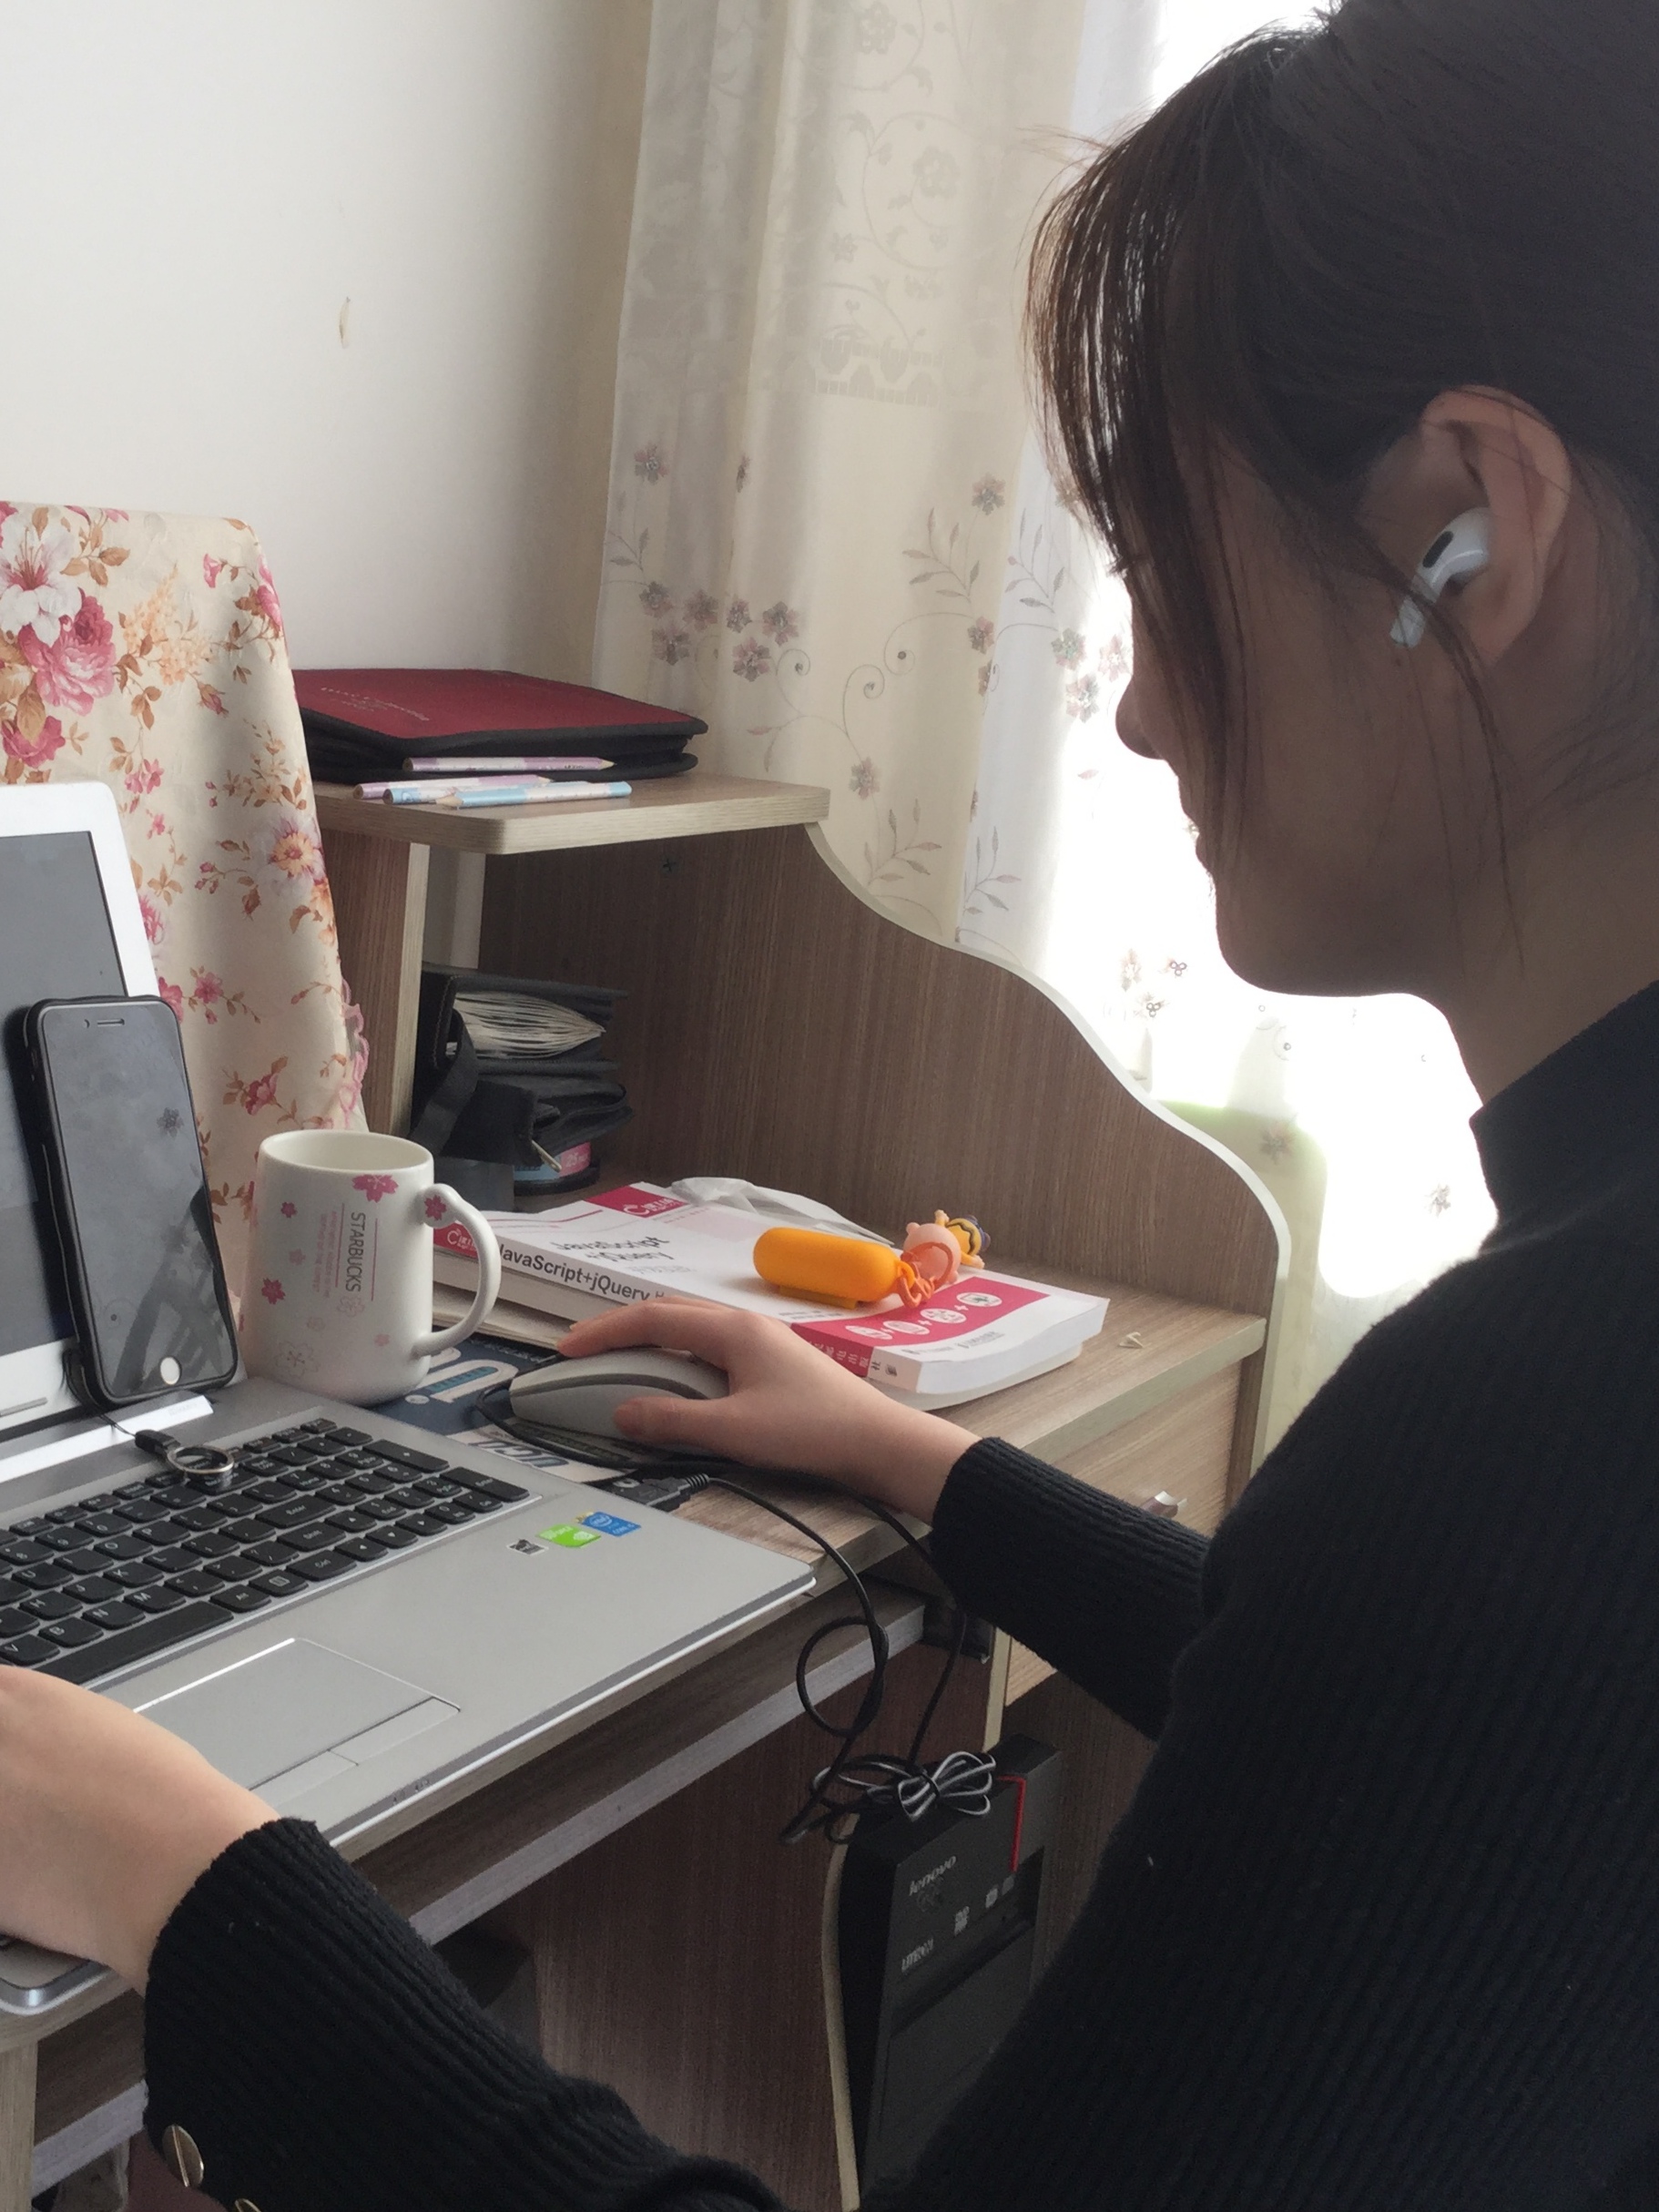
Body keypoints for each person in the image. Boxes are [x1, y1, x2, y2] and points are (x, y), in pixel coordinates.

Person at [9, 0, 1659, 2202]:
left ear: (1468, 524)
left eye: (1161, 570)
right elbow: (1403, 1742)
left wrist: (182, 1871)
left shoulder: (1546, 1420)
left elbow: (1449, 1624)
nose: (1141, 710)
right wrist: (924, 1466)